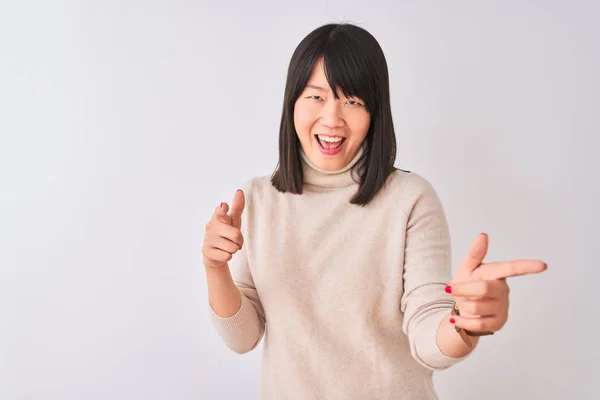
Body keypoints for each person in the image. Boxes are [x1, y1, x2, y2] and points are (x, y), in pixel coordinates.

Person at [202, 23, 547, 399]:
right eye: (316, 97)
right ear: (292, 103)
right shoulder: (256, 200)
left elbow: (427, 335)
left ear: (374, 112)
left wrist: (464, 322)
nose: (333, 119)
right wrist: (214, 268)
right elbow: (242, 337)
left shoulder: (410, 199)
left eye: (353, 101)